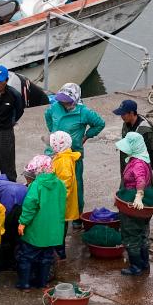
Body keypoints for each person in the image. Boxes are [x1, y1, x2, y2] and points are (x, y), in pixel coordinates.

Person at [43, 83, 105, 214]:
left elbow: (100, 124)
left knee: (75, 185)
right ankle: (54, 211)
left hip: (73, 153)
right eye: (61, 99)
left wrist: (87, 136)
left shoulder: (84, 112)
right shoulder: (54, 107)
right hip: (53, 153)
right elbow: (47, 116)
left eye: (66, 100)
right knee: (51, 182)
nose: (63, 102)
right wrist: (53, 133)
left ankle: (77, 216)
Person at [16, 155, 67, 290]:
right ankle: (42, 283)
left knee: (27, 257)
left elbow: (29, 206)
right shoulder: (60, 184)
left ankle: (24, 284)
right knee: (46, 257)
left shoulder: (36, 185)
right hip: (53, 232)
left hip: (36, 231)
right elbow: (62, 206)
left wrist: (22, 222)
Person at [116, 130, 153, 276]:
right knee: (143, 232)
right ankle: (144, 262)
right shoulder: (142, 159)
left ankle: (136, 266)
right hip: (144, 206)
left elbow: (140, 180)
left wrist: (138, 196)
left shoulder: (138, 163)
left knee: (131, 233)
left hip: (134, 204)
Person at [0, 65, 25, 180]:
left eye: (0, 81)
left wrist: (11, 121)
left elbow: (20, 110)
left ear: (6, 81)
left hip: (5, 131)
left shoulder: (14, 95)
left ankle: (10, 185)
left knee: (7, 162)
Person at [49, 130, 81, 258]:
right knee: (61, 225)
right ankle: (59, 249)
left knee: (60, 226)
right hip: (62, 199)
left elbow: (65, 182)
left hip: (61, 200)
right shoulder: (63, 156)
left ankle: (59, 251)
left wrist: (58, 198)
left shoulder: (63, 161)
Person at [0, 172, 28, 270]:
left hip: (15, 203)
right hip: (23, 203)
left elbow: (5, 213)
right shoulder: (3, 183)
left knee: (8, 232)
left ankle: (9, 262)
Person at [115, 99, 153, 172]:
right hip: (126, 169)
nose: (121, 116)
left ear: (132, 113)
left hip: (140, 171)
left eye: (123, 114)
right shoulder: (126, 124)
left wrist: (145, 171)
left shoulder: (145, 131)